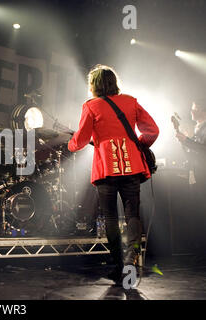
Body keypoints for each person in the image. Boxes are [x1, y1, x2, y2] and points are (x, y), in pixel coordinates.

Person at [67, 64, 159, 284]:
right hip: (132, 167)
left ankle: (119, 266)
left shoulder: (91, 106)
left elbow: (79, 141)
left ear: (94, 85)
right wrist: (138, 144)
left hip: (106, 168)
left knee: (110, 217)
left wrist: (70, 144)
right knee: (133, 215)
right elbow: (153, 130)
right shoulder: (130, 101)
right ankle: (131, 259)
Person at [175, 98, 206, 252]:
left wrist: (186, 140)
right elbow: (192, 152)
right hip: (197, 172)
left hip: (203, 173)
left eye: (195, 108)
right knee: (198, 209)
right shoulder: (197, 128)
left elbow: (203, 150)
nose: (191, 111)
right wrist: (183, 140)